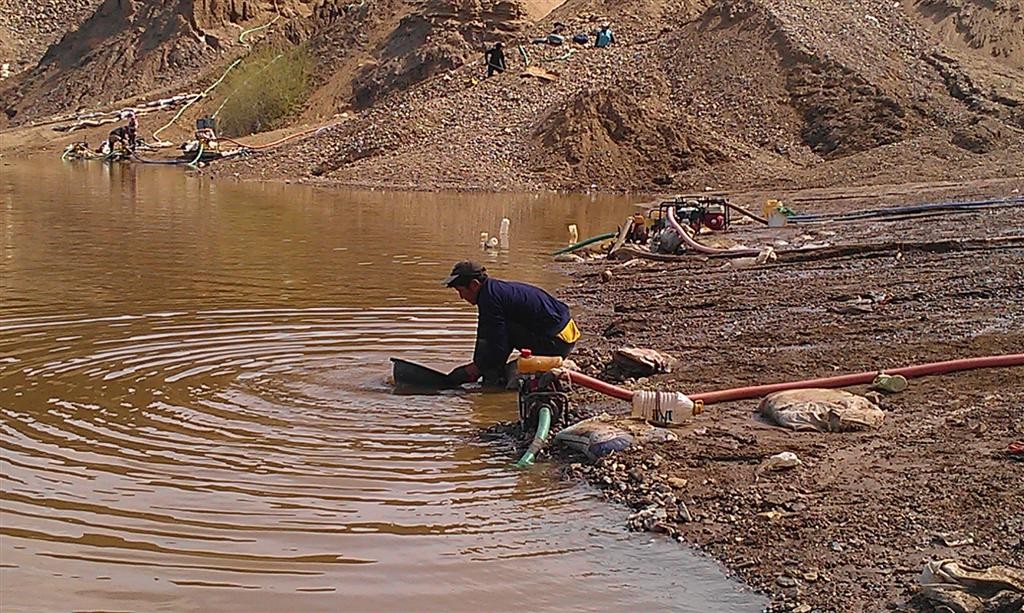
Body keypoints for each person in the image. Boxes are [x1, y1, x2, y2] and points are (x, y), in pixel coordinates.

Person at [442, 261, 580, 387]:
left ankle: (493, 385)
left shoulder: (490, 299)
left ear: (474, 285)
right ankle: (491, 373)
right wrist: (480, 363)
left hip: (556, 343)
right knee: (496, 333)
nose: (461, 297)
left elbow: (494, 340)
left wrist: (476, 368)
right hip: (564, 335)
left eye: (461, 291)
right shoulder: (494, 291)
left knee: (498, 334)